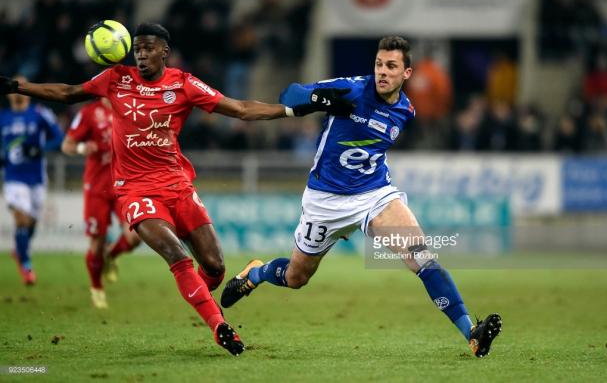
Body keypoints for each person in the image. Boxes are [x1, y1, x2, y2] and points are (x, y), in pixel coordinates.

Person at [0, 22, 352, 356]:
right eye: (137, 49)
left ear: (164, 52)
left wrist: (296, 109)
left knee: (214, 267)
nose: (140, 54)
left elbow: (242, 109)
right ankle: (219, 327)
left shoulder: (183, 84)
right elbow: (67, 93)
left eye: (148, 48)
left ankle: (200, 294)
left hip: (178, 186)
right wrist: (17, 87)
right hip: (135, 190)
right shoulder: (114, 79)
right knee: (177, 256)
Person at [221, 36, 503, 358]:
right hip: (325, 200)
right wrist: (322, 100)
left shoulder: (405, 111)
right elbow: (290, 94)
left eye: (392, 66)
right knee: (296, 277)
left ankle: (472, 332)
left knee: (422, 257)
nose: (383, 72)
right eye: (379, 64)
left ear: (407, 73)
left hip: (374, 195)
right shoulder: (352, 89)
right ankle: (256, 273)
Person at [62, 97, 141, 309]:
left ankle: (111, 255)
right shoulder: (89, 112)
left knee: (136, 236)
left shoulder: (131, 109)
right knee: (96, 243)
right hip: (97, 187)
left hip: (124, 186)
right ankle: (97, 288)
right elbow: (67, 145)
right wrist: (81, 149)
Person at [0, 75, 63, 285]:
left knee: (32, 223)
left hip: (36, 177)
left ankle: (20, 251)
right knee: (21, 218)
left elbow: (59, 138)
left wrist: (41, 149)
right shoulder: (3, 117)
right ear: (9, 96)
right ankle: (26, 265)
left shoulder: (39, 114)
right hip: (13, 177)